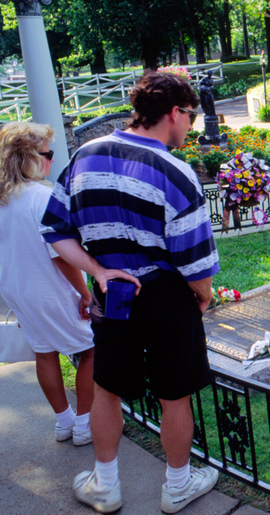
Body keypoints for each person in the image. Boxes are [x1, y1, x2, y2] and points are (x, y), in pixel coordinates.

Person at [40, 71, 220, 514]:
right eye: (191, 117)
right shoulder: (175, 172)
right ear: (174, 112)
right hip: (166, 296)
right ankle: (177, 486)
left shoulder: (84, 156)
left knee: (107, 388)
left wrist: (100, 271)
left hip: (114, 294)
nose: (191, 126)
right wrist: (204, 295)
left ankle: (105, 484)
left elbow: (55, 230)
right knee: (173, 394)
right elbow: (193, 260)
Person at [0, 122, 95, 446]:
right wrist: (84, 294)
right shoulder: (42, 197)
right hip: (48, 287)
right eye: (47, 154)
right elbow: (62, 256)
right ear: (29, 157)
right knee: (90, 349)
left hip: (16, 287)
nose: (52, 160)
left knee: (45, 352)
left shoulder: (4, 199)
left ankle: (63, 420)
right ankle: (84, 424)